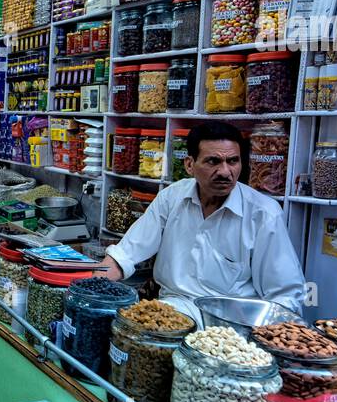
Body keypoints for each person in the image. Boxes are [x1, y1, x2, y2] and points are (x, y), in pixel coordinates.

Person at [97, 121, 306, 319]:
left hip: (229, 327)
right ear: (189, 164)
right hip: (169, 314)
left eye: (233, 161)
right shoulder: (172, 197)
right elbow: (126, 253)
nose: (225, 172)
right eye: (213, 161)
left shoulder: (263, 214)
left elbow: (285, 295)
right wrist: (89, 285)